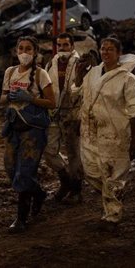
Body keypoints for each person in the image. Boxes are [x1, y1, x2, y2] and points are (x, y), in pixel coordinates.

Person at [79, 36, 135, 231]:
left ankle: (113, 216)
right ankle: (112, 198)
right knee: (91, 171)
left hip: (115, 135)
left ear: (118, 54)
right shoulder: (93, 74)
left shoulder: (128, 79)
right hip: (91, 133)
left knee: (113, 175)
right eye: (103, 48)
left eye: (110, 49)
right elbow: (81, 93)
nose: (105, 52)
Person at [0, 36, 56, 233]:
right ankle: (39, 193)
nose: (24, 52)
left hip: (33, 130)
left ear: (35, 52)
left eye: (28, 49)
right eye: (21, 48)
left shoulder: (41, 75)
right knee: (9, 167)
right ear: (16, 51)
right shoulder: (10, 72)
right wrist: (9, 97)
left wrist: (30, 98)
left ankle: (21, 219)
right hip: (14, 127)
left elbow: (52, 103)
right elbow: (2, 98)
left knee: (24, 172)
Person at [42, 32, 93, 202]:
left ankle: (76, 190)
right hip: (54, 113)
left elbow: (87, 93)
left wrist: (81, 117)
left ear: (72, 46)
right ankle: (65, 180)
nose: (62, 48)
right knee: (48, 150)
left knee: (74, 154)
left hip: (73, 114)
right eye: (59, 45)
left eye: (65, 45)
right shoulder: (51, 63)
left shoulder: (81, 64)